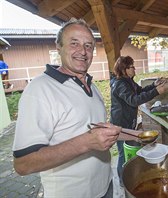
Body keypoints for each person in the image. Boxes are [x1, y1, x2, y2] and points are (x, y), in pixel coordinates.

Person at [12, 18, 123, 198]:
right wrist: (87, 142)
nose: (83, 51)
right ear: (59, 47)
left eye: (88, 46)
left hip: (105, 187)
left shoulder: (91, 85)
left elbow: (96, 131)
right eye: (74, 43)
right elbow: (23, 164)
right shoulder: (40, 89)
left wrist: (136, 135)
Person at [110, 56, 168, 186]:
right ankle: (122, 181)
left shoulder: (128, 81)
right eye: (132, 67)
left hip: (127, 122)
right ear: (124, 69)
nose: (134, 69)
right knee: (122, 154)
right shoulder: (120, 84)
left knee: (127, 152)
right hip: (120, 124)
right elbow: (134, 100)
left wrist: (154, 85)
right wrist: (156, 92)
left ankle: (126, 177)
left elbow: (140, 91)